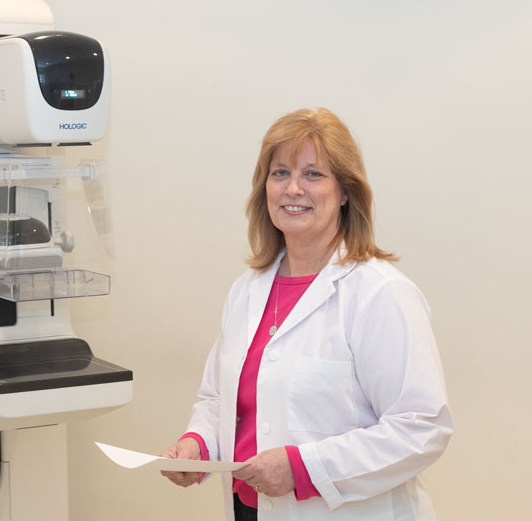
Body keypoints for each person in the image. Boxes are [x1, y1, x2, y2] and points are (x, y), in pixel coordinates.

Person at [160, 108, 452, 520]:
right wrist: (198, 444)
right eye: (279, 173)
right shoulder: (248, 289)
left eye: (313, 175)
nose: (293, 188)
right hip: (250, 508)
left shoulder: (380, 293)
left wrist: (303, 469)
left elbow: (421, 428)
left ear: (346, 192)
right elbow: (218, 398)